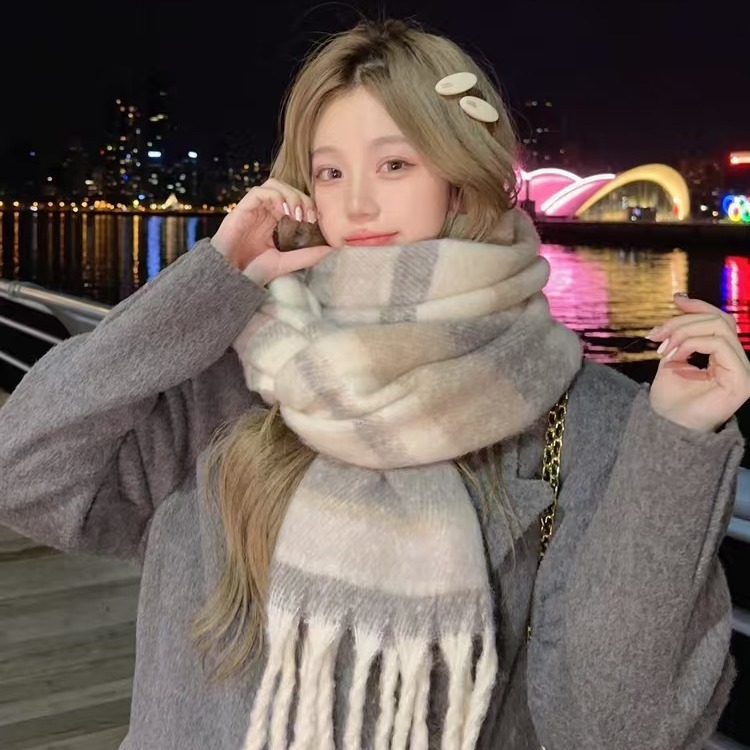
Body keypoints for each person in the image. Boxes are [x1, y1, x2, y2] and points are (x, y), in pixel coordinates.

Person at [0, 18, 748, 750]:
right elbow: (25, 477)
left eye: (395, 164)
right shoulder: (235, 374)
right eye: (330, 171)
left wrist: (676, 447)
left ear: (459, 181)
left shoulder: (585, 418)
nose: (356, 203)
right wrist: (214, 278)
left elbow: (610, 726)